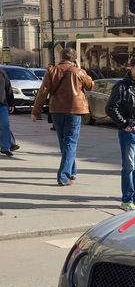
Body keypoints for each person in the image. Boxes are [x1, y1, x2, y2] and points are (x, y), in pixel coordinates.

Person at [31, 48, 94, 186]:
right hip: (74, 111)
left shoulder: (51, 71)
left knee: (63, 142)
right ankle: (64, 176)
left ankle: (72, 171)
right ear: (74, 59)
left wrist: (36, 112)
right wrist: (80, 68)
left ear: (61, 57)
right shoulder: (78, 72)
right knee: (70, 142)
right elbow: (90, 85)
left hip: (57, 110)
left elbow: (43, 93)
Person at [105, 56, 135, 211]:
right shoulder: (122, 86)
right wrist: (125, 123)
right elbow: (111, 107)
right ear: (131, 68)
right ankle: (127, 199)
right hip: (129, 133)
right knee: (129, 166)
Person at [0, 67, 16, 157]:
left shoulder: (2, 72)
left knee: (5, 125)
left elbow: (8, 89)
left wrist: (11, 104)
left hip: (2, 105)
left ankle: (5, 148)